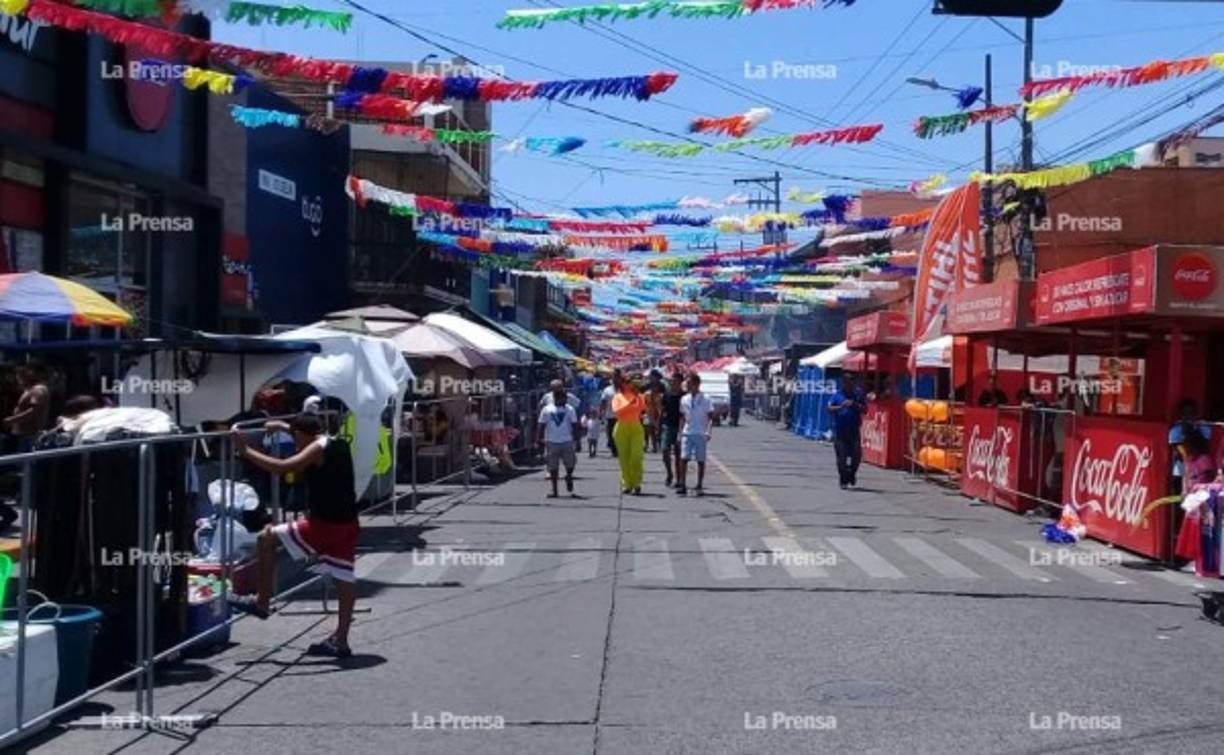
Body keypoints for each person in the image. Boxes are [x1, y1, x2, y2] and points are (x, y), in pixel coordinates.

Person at [229, 414, 360, 658]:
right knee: (345, 578)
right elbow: (301, 430)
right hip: (348, 523)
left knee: (266, 538)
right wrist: (282, 426)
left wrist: (245, 450)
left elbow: (283, 467)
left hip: (323, 525)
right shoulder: (336, 441)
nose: (295, 443)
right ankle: (341, 641)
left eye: (296, 438)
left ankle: (262, 602)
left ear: (304, 435)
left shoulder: (315, 448)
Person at [537, 380, 580, 498]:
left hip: (567, 441)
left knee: (570, 464)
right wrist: (538, 440)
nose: (563, 399)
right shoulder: (547, 409)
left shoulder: (570, 409)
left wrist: (577, 440)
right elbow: (541, 424)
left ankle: (569, 475)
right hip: (551, 441)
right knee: (553, 467)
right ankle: (554, 490)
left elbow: (575, 425)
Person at [677, 373, 714, 496]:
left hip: (700, 432)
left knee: (700, 460)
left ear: (697, 384)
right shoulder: (684, 399)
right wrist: (680, 431)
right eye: (687, 383)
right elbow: (682, 417)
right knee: (684, 458)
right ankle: (682, 484)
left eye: (690, 383)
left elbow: (710, 417)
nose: (687, 385)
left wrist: (708, 431)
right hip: (688, 432)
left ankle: (699, 484)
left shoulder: (706, 399)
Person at [828, 376, 867, 490]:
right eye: (846, 383)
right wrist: (841, 406)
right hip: (840, 430)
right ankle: (843, 479)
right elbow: (829, 408)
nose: (848, 385)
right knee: (842, 456)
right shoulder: (837, 395)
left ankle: (852, 473)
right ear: (843, 384)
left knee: (857, 456)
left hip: (854, 430)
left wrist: (854, 404)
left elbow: (865, 409)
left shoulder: (857, 395)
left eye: (850, 383)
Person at [611, 372, 646, 495]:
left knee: (636, 457)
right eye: (626, 382)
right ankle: (627, 484)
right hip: (621, 428)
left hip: (635, 427)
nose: (628, 384)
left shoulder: (639, 396)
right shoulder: (618, 397)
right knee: (624, 458)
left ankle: (637, 483)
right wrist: (630, 402)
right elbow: (617, 411)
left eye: (630, 382)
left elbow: (643, 409)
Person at [4, 365, 50, 453]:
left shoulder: (38, 390)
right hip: (23, 434)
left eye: (30, 371)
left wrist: (12, 420)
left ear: (38, 374)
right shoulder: (29, 388)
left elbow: (33, 411)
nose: (27, 373)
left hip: (30, 434)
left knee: (26, 463)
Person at [1170, 399, 1213, 490]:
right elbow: (1181, 451)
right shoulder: (1175, 430)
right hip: (1181, 471)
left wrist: (1192, 430)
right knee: (1179, 499)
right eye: (1185, 413)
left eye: (1192, 413)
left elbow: (1204, 446)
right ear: (1180, 414)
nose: (1189, 416)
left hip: (1201, 470)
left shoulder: (1204, 427)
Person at [660, 371, 685, 488]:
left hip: (680, 426)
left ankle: (679, 478)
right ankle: (669, 473)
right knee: (665, 451)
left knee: (678, 454)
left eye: (676, 381)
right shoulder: (667, 394)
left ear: (680, 382)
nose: (673, 383)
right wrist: (660, 423)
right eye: (672, 381)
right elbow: (662, 409)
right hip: (668, 426)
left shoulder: (684, 396)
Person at [644, 370, 664, 454]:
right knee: (647, 427)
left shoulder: (662, 386)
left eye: (652, 376)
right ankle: (646, 444)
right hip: (648, 410)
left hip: (658, 410)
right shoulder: (647, 386)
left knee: (658, 429)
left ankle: (657, 445)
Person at [600, 377, 617, 458]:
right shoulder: (607, 390)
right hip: (610, 415)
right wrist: (601, 413)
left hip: (622, 416)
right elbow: (603, 402)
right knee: (611, 434)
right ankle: (614, 450)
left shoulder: (624, 389)